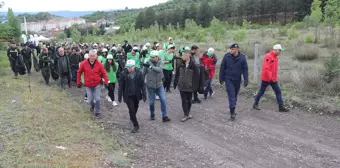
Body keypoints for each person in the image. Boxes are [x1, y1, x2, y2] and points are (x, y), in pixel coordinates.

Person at [253, 44, 289, 112]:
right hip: (266, 78)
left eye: (281, 50)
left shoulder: (276, 57)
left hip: (273, 78)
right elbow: (266, 68)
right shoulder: (268, 56)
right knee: (261, 91)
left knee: (278, 91)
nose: (280, 52)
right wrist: (271, 77)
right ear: (275, 50)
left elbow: (274, 69)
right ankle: (255, 104)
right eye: (280, 50)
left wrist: (274, 77)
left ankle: (281, 107)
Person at [219, 43, 249, 121]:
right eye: (230, 49)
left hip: (237, 79)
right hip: (228, 79)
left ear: (237, 50)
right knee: (231, 95)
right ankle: (232, 112)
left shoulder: (242, 57)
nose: (231, 50)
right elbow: (222, 67)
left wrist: (246, 79)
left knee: (235, 95)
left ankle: (233, 108)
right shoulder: (226, 56)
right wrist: (221, 78)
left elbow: (245, 69)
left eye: (232, 49)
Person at [77, 49, 109, 118]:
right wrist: (78, 82)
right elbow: (79, 72)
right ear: (88, 56)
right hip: (88, 85)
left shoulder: (99, 64)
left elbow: (104, 73)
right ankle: (92, 105)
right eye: (91, 56)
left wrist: (106, 81)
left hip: (97, 84)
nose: (92, 57)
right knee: (90, 100)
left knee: (97, 99)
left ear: (96, 56)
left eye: (93, 56)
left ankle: (97, 111)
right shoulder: (83, 63)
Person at [118, 60, 147, 133]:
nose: (129, 68)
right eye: (128, 67)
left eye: (131, 67)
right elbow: (120, 86)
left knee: (135, 107)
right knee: (131, 109)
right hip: (128, 95)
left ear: (134, 66)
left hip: (136, 95)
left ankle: (132, 117)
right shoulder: (123, 74)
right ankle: (136, 125)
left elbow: (142, 85)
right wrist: (119, 96)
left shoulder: (139, 73)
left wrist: (144, 94)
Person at [143, 50, 171, 122]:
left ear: (157, 57)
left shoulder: (160, 62)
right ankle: (152, 114)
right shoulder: (147, 62)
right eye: (151, 57)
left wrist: (151, 66)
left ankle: (164, 116)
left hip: (159, 85)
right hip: (150, 86)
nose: (151, 58)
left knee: (163, 100)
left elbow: (159, 70)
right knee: (151, 102)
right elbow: (143, 73)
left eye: (153, 57)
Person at [174, 49, 200, 122]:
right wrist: (176, 83)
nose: (182, 56)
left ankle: (188, 113)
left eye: (183, 55)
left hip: (189, 86)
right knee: (184, 100)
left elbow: (196, 77)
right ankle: (186, 114)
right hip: (181, 86)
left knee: (189, 100)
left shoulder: (193, 65)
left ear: (188, 56)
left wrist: (195, 87)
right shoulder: (180, 64)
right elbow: (177, 75)